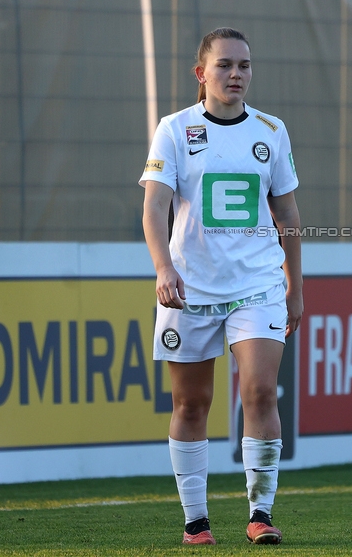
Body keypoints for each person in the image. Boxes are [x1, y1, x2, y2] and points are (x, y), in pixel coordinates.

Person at [138, 27, 302, 546]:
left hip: (257, 284)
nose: (237, 74)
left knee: (258, 389)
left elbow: (288, 213)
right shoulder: (174, 130)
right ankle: (196, 522)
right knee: (192, 404)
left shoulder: (271, 131)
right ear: (201, 74)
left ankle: (261, 513)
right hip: (191, 289)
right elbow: (155, 207)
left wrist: (293, 285)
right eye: (226, 65)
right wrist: (164, 269)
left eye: (245, 66)